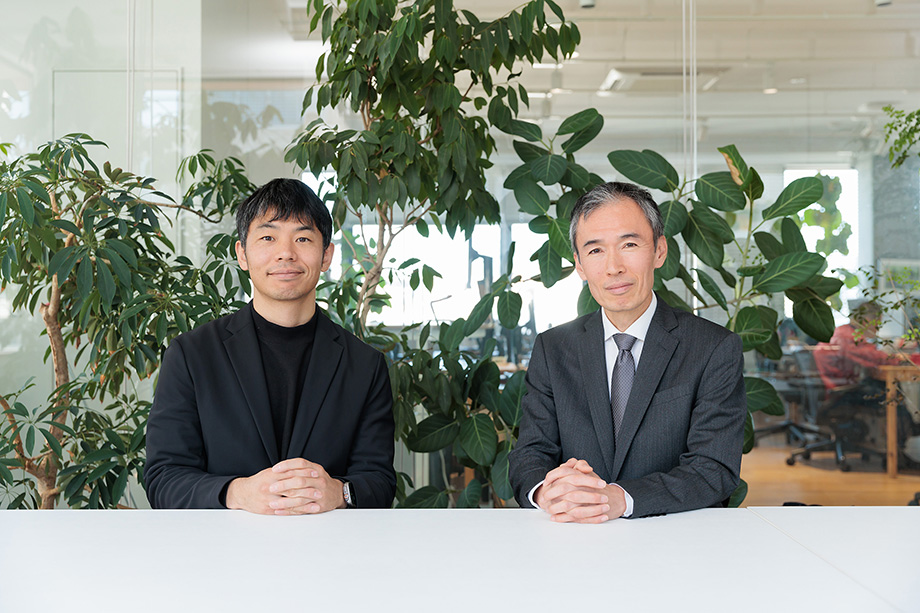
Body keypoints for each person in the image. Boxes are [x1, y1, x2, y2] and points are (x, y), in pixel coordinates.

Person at [145, 178, 396, 513]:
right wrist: (235, 493)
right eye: (268, 237)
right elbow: (163, 478)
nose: (286, 253)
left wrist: (339, 492)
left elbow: (379, 480)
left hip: (329, 555)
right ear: (242, 254)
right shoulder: (192, 355)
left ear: (326, 256)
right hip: (220, 556)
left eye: (303, 238)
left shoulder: (364, 365)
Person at [508, 181, 746, 522]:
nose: (613, 267)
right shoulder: (553, 349)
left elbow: (713, 469)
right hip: (575, 542)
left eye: (629, 244)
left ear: (659, 250)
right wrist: (548, 490)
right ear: (579, 265)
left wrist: (620, 499)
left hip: (675, 544)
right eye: (595, 251)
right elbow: (530, 454)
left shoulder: (712, 348)